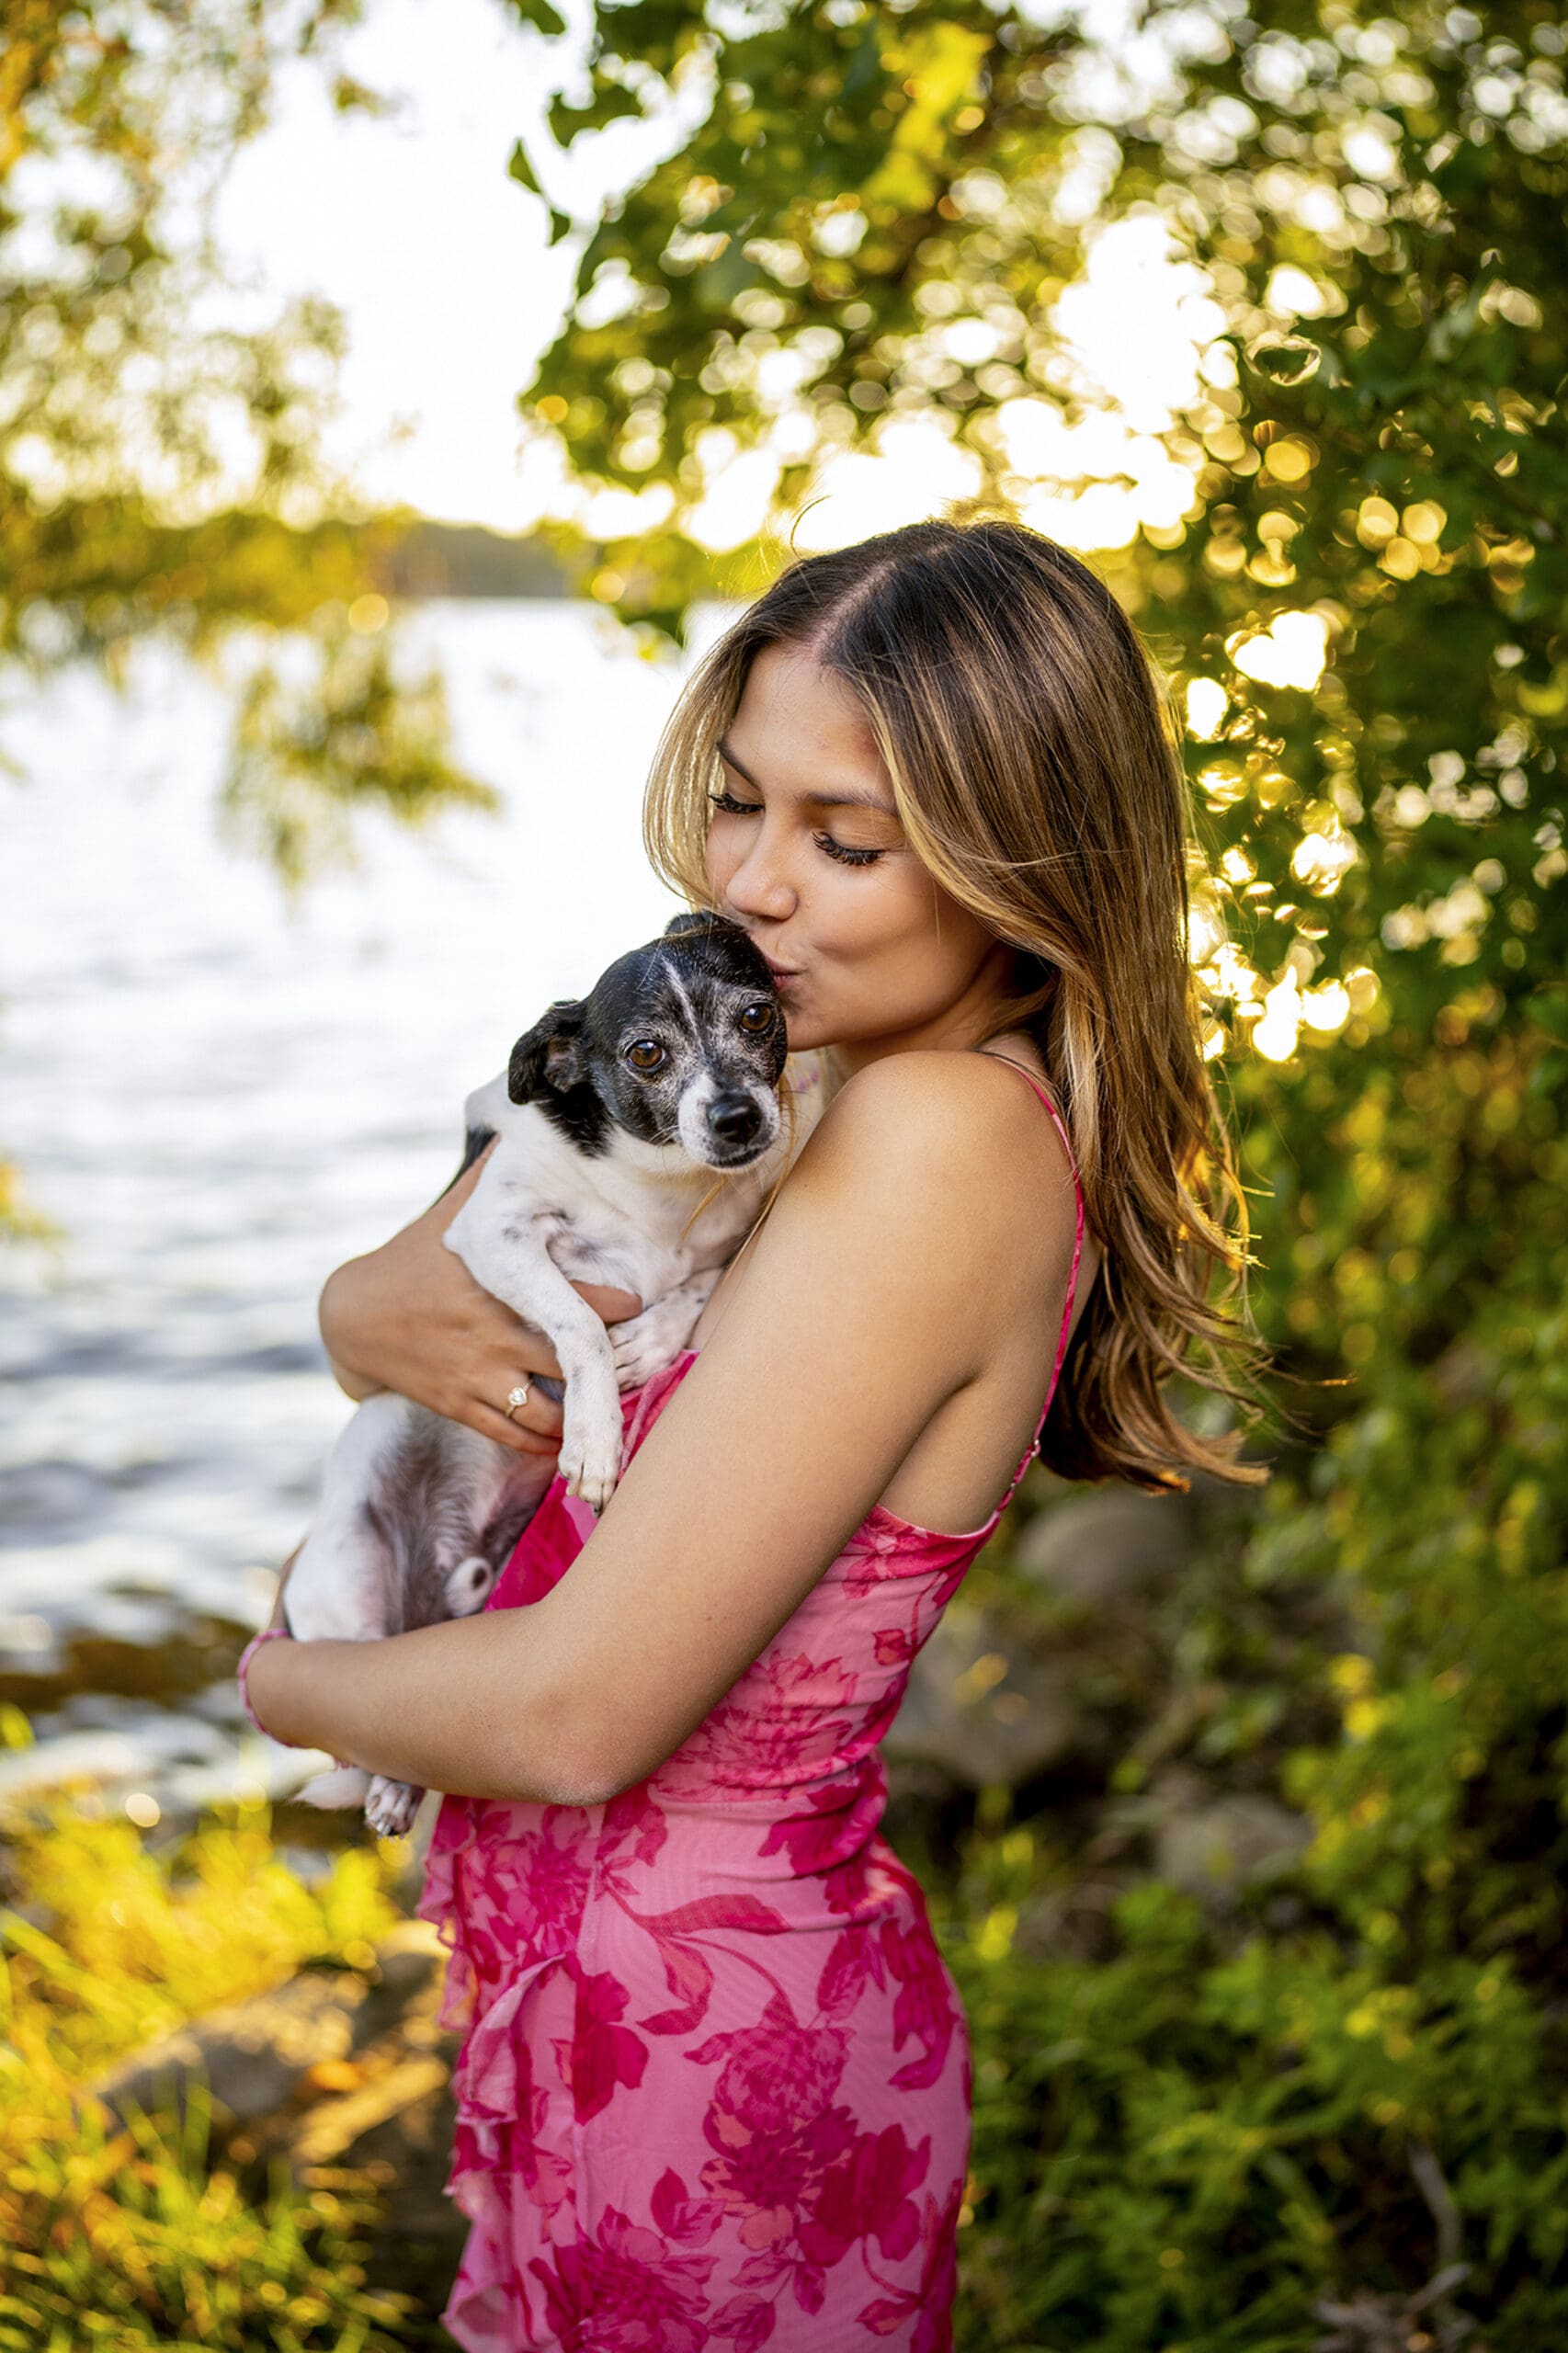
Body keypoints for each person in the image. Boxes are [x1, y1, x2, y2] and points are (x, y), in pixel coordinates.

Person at [242, 517, 1266, 2350]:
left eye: (842, 840)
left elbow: (574, 1714)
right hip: (635, 2007)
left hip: (707, 2068)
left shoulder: (927, 1138)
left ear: (1023, 855)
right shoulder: (806, 1080)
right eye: (736, 804)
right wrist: (344, 1310)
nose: (752, 884)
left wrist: (281, 1682)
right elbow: (416, 1306)